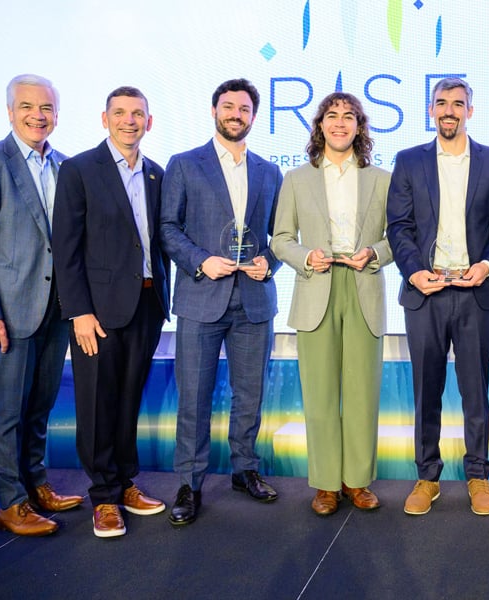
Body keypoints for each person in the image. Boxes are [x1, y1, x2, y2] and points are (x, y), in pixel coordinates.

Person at [0, 74, 82, 536]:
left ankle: (36, 486)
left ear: (56, 114)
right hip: (7, 313)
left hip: (55, 309)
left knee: (40, 405)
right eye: (27, 106)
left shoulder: (66, 167)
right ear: (10, 112)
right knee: (8, 410)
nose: (38, 115)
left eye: (46, 107)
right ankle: (11, 503)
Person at [386, 77, 489, 517]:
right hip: (426, 291)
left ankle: (478, 475)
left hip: (475, 291)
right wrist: (415, 272)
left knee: (475, 391)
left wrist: (487, 266)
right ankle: (427, 476)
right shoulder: (408, 161)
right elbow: (398, 227)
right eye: (441, 103)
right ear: (430, 110)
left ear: (470, 112)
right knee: (427, 391)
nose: (449, 111)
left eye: (458, 104)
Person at [160, 78, 284, 526]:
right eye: (228, 106)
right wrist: (200, 261)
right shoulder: (184, 164)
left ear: (253, 116)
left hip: (253, 301)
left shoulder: (270, 172)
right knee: (194, 397)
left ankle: (244, 470)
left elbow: (282, 238)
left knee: (249, 395)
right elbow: (168, 228)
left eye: (244, 108)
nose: (236, 114)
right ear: (214, 111)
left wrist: (268, 263)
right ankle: (189, 484)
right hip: (200, 297)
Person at [52, 86, 169, 538]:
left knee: (126, 400)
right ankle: (103, 497)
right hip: (96, 312)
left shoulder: (156, 174)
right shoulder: (79, 170)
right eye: (119, 113)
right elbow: (66, 249)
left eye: (137, 113)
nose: (129, 121)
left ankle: (125, 484)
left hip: (146, 303)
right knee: (97, 402)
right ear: (104, 119)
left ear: (149, 122)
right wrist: (78, 311)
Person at [271, 92, 392, 516]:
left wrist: (375, 253)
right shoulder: (296, 179)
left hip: (363, 285)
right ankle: (325, 484)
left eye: (349, 117)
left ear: (360, 127)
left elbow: (400, 236)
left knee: (362, 391)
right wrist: (305, 257)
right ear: (319, 125)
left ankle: (356, 481)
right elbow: (280, 239)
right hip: (315, 286)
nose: (340, 123)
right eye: (332, 116)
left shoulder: (382, 178)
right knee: (320, 393)